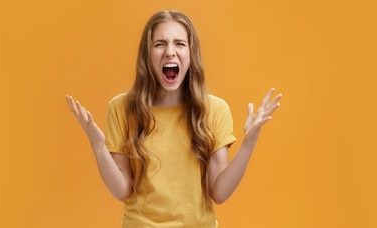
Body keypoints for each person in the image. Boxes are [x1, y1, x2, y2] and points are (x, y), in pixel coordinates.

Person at [65, 10, 281, 227]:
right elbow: (121, 190)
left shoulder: (214, 110)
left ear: (191, 53)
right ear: (147, 54)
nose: (170, 52)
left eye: (179, 43)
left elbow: (219, 192)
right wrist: (98, 146)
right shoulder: (121, 108)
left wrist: (248, 144)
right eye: (159, 44)